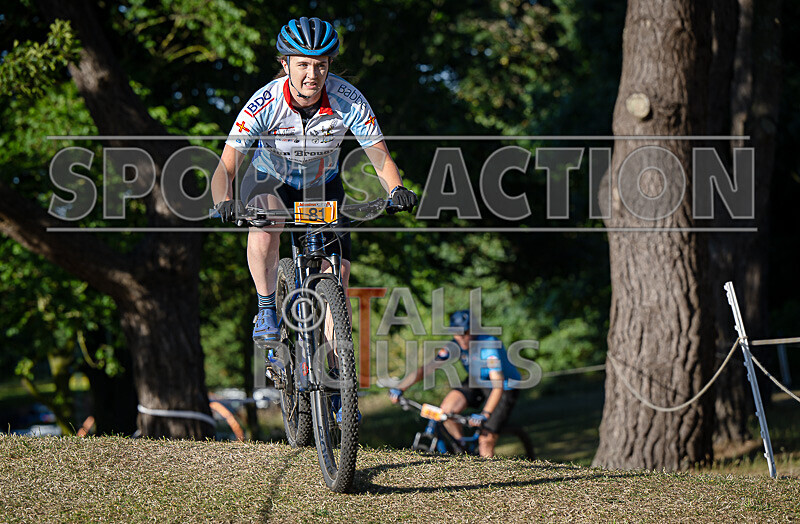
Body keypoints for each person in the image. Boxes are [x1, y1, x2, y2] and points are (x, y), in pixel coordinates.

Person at [211, 17, 417, 343]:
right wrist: (223, 201)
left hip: (321, 187)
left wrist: (396, 189)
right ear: (285, 63)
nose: (313, 74)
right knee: (266, 221)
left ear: (329, 64)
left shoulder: (348, 99)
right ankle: (266, 308)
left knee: (337, 275)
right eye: (303, 64)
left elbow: (380, 157)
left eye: (321, 65)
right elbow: (226, 166)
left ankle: (337, 375)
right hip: (270, 180)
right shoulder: (263, 103)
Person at [389, 309, 522, 458]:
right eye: (456, 333)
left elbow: (498, 385)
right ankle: (463, 450)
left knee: (485, 440)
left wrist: (485, 414)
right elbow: (427, 368)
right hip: (476, 380)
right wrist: (401, 387)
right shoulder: (454, 345)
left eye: (464, 332)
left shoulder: (489, 346)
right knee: (446, 411)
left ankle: (490, 477)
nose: (460, 337)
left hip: (503, 387)